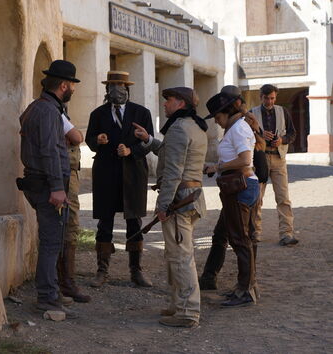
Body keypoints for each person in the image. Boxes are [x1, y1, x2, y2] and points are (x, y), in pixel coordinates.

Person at [18, 60, 79, 316]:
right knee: (52, 243)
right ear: (64, 85)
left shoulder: (39, 107)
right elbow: (51, 152)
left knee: (52, 241)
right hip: (46, 185)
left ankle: (51, 292)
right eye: (72, 85)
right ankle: (47, 298)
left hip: (41, 182)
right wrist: (57, 187)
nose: (73, 89)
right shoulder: (48, 111)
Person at [85, 71, 154, 288]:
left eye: (120, 85)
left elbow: (148, 143)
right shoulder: (98, 114)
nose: (116, 89)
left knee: (134, 221)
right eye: (112, 85)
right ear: (106, 90)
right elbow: (89, 139)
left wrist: (131, 151)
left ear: (127, 88)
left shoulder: (141, 113)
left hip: (133, 173)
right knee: (105, 222)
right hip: (106, 173)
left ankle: (136, 270)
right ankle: (102, 270)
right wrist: (98, 139)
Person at [199, 85, 268, 292]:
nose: (215, 121)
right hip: (236, 188)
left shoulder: (238, 127)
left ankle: (245, 289)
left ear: (226, 111)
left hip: (240, 187)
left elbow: (245, 160)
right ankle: (239, 284)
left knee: (240, 240)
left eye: (217, 116)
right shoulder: (237, 126)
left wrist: (217, 166)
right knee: (229, 235)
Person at [155, 87, 207, 328]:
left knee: (180, 256)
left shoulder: (178, 128)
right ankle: (179, 304)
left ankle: (187, 311)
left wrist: (163, 204)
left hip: (180, 200)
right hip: (192, 196)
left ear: (181, 103)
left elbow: (174, 171)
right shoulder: (195, 127)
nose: (165, 104)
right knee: (177, 254)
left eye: (169, 100)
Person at [250, 84, 298, 246]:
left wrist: (281, 140)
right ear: (260, 97)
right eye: (266, 98)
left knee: (283, 198)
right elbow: (245, 135)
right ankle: (255, 232)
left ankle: (286, 233)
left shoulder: (283, 111)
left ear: (275, 97)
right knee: (257, 198)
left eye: (272, 98)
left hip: (279, 159)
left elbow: (292, 133)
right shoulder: (252, 114)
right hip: (260, 159)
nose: (270, 101)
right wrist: (260, 134)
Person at [57, 102, 91, 303]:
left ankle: (63, 281)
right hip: (64, 176)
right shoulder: (56, 114)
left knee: (67, 227)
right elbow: (78, 137)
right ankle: (66, 283)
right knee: (68, 227)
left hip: (69, 175)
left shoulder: (57, 113)